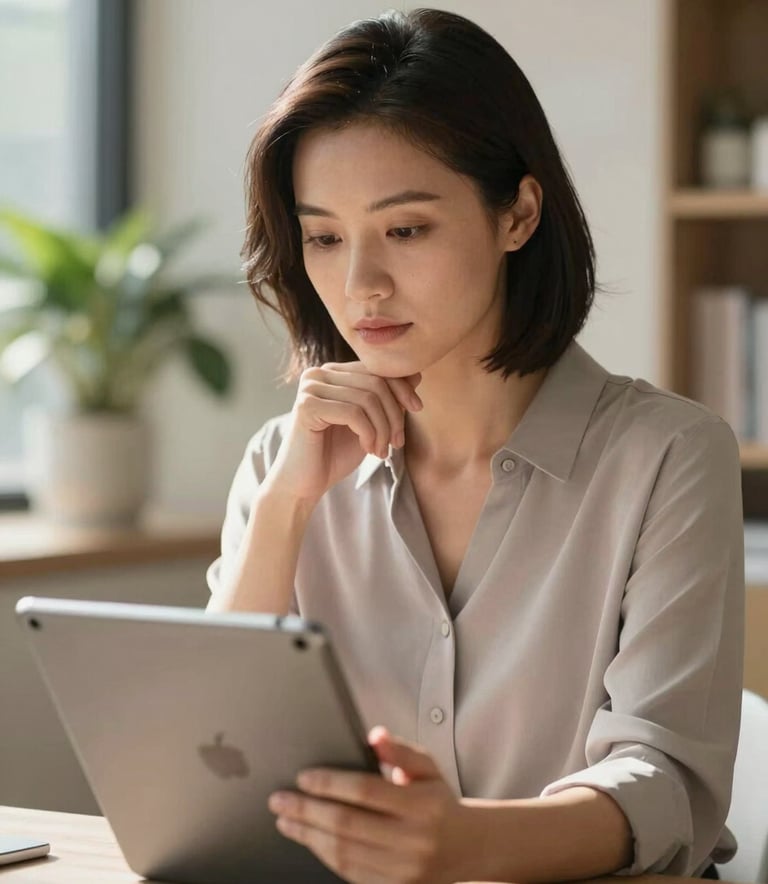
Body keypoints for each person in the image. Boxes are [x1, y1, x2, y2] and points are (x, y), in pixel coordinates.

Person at [206, 8, 744, 883]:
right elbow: (209, 760)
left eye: (406, 229)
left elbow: (667, 786)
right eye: (325, 237)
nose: (360, 284)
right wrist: (287, 507)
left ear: (518, 214)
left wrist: (460, 841)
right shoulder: (283, 461)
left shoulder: (669, 458)